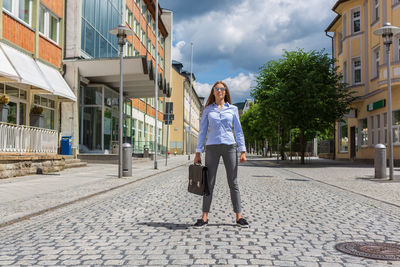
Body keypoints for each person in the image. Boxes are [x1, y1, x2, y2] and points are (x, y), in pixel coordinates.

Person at [193, 81, 249, 228]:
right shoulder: (207, 110)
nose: (219, 91)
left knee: (233, 182)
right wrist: (198, 152)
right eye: (217, 89)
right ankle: (204, 217)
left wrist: (242, 150)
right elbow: (202, 131)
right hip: (211, 147)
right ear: (213, 92)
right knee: (209, 183)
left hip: (230, 147)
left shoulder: (233, 109)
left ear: (225, 92)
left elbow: (238, 130)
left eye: (222, 89)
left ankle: (239, 217)